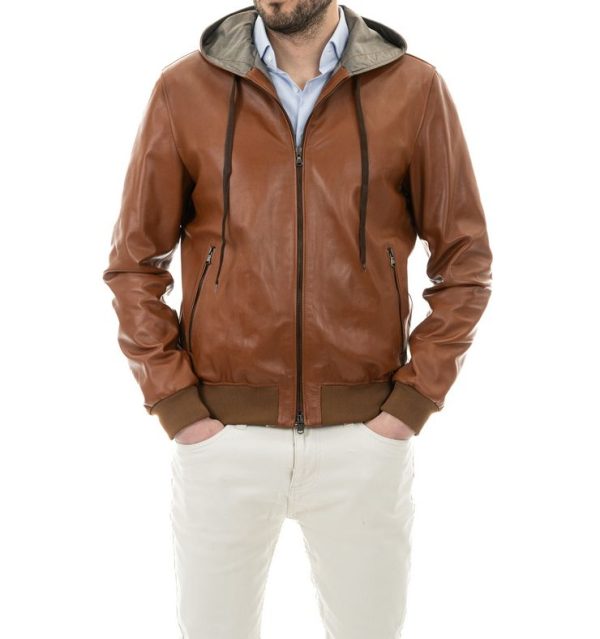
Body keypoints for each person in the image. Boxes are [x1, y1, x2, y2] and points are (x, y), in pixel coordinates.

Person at [102, 2, 493, 637]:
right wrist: (178, 405)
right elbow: (133, 264)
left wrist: (412, 403)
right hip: (221, 439)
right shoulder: (184, 88)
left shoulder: (414, 89)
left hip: (365, 438)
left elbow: (466, 263)